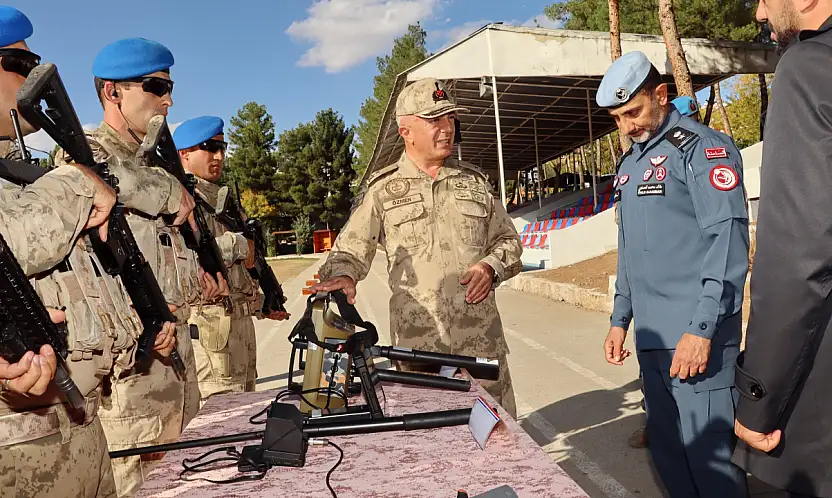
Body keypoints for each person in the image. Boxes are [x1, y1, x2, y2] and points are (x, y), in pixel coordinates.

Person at [0, 7, 174, 498]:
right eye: (19, 63)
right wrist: (77, 185)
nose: (32, 77)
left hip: (79, 424)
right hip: (21, 450)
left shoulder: (18, 171)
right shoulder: (68, 174)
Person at [55, 37, 222, 497]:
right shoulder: (81, 155)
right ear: (113, 92)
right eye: (155, 86)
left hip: (179, 364)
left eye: (170, 87)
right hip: (132, 381)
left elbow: (162, 255)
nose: (168, 99)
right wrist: (170, 193)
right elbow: (99, 181)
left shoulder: (154, 166)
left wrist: (200, 281)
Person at [310, 78, 522, 417]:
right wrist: (344, 275)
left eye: (450, 118)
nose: (447, 128)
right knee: (432, 450)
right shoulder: (383, 190)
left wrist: (491, 266)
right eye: (434, 120)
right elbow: (348, 250)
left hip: (482, 345)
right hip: (420, 354)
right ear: (406, 130)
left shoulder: (475, 183)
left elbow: (509, 242)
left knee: (500, 441)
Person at [598, 51, 750, 497]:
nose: (627, 126)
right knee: (668, 454)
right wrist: (619, 318)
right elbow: (630, 250)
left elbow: (727, 244)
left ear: (660, 95)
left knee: (711, 464)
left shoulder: (703, 150)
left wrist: (702, 329)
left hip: (696, 339)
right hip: (651, 341)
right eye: (617, 118)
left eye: (633, 112)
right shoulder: (630, 166)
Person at [732, 2, 832, 497]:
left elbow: (796, 260)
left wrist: (757, 400)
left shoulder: (809, 66)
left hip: (816, 413)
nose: (758, 11)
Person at [173, 115, 289, 405]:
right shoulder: (177, 202)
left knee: (244, 418)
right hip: (211, 342)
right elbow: (183, 259)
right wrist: (237, 243)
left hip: (240, 339)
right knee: (220, 423)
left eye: (222, 147)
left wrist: (264, 304)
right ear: (184, 154)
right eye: (209, 147)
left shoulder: (223, 202)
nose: (219, 156)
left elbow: (240, 277)